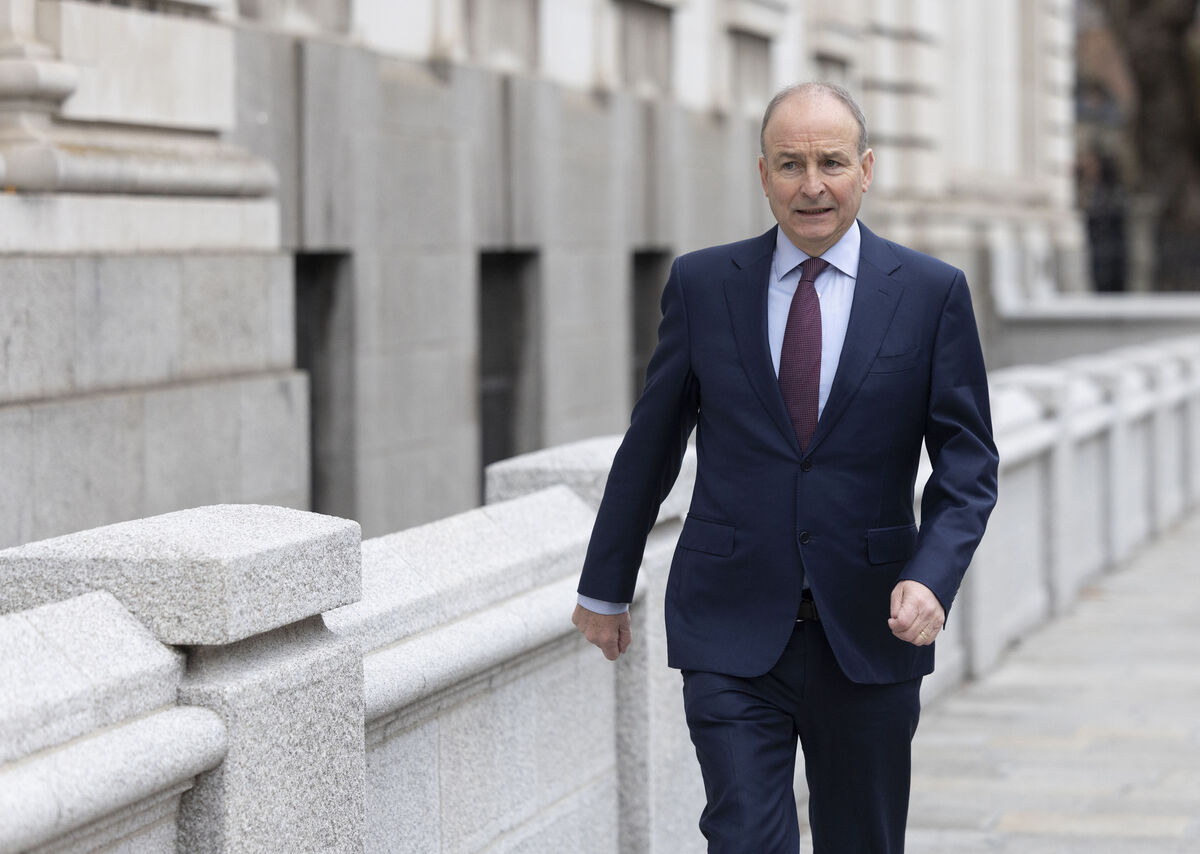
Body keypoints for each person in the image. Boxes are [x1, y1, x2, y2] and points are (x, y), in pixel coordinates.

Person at [571, 81, 998, 854]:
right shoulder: (703, 286)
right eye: (790, 164)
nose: (812, 186)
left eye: (831, 162)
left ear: (866, 170)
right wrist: (605, 584)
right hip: (729, 628)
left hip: (870, 631)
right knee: (743, 840)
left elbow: (968, 462)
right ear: (760, 174)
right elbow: (652, 443)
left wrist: (934, 576)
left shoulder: (931, 295)